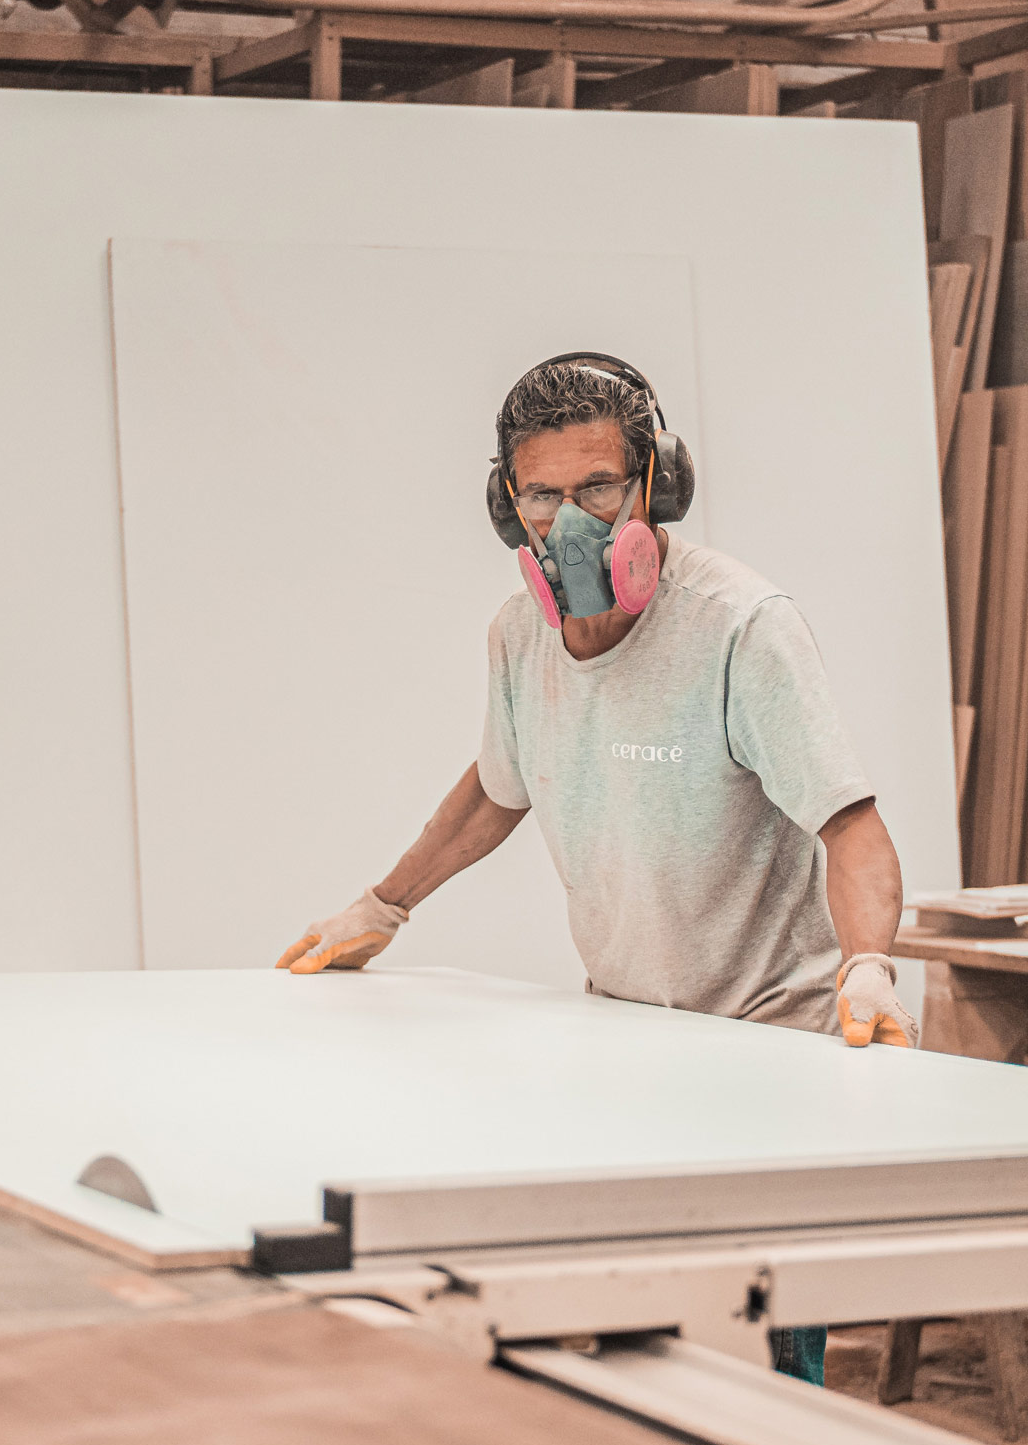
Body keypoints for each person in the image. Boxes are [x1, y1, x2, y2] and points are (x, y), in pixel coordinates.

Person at [276, 353, 918, 1387]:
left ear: (654, 482)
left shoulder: (739, 625)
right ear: (507, 503)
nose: (569, 520)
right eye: (541, 494)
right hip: (632, 1038)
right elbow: (498, 786)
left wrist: (869, 965)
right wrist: (384, 904)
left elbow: (850, 823)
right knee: (642, 1347)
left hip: (763, 1051)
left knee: (759, 1360)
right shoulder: (519, 635)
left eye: (597, 489)